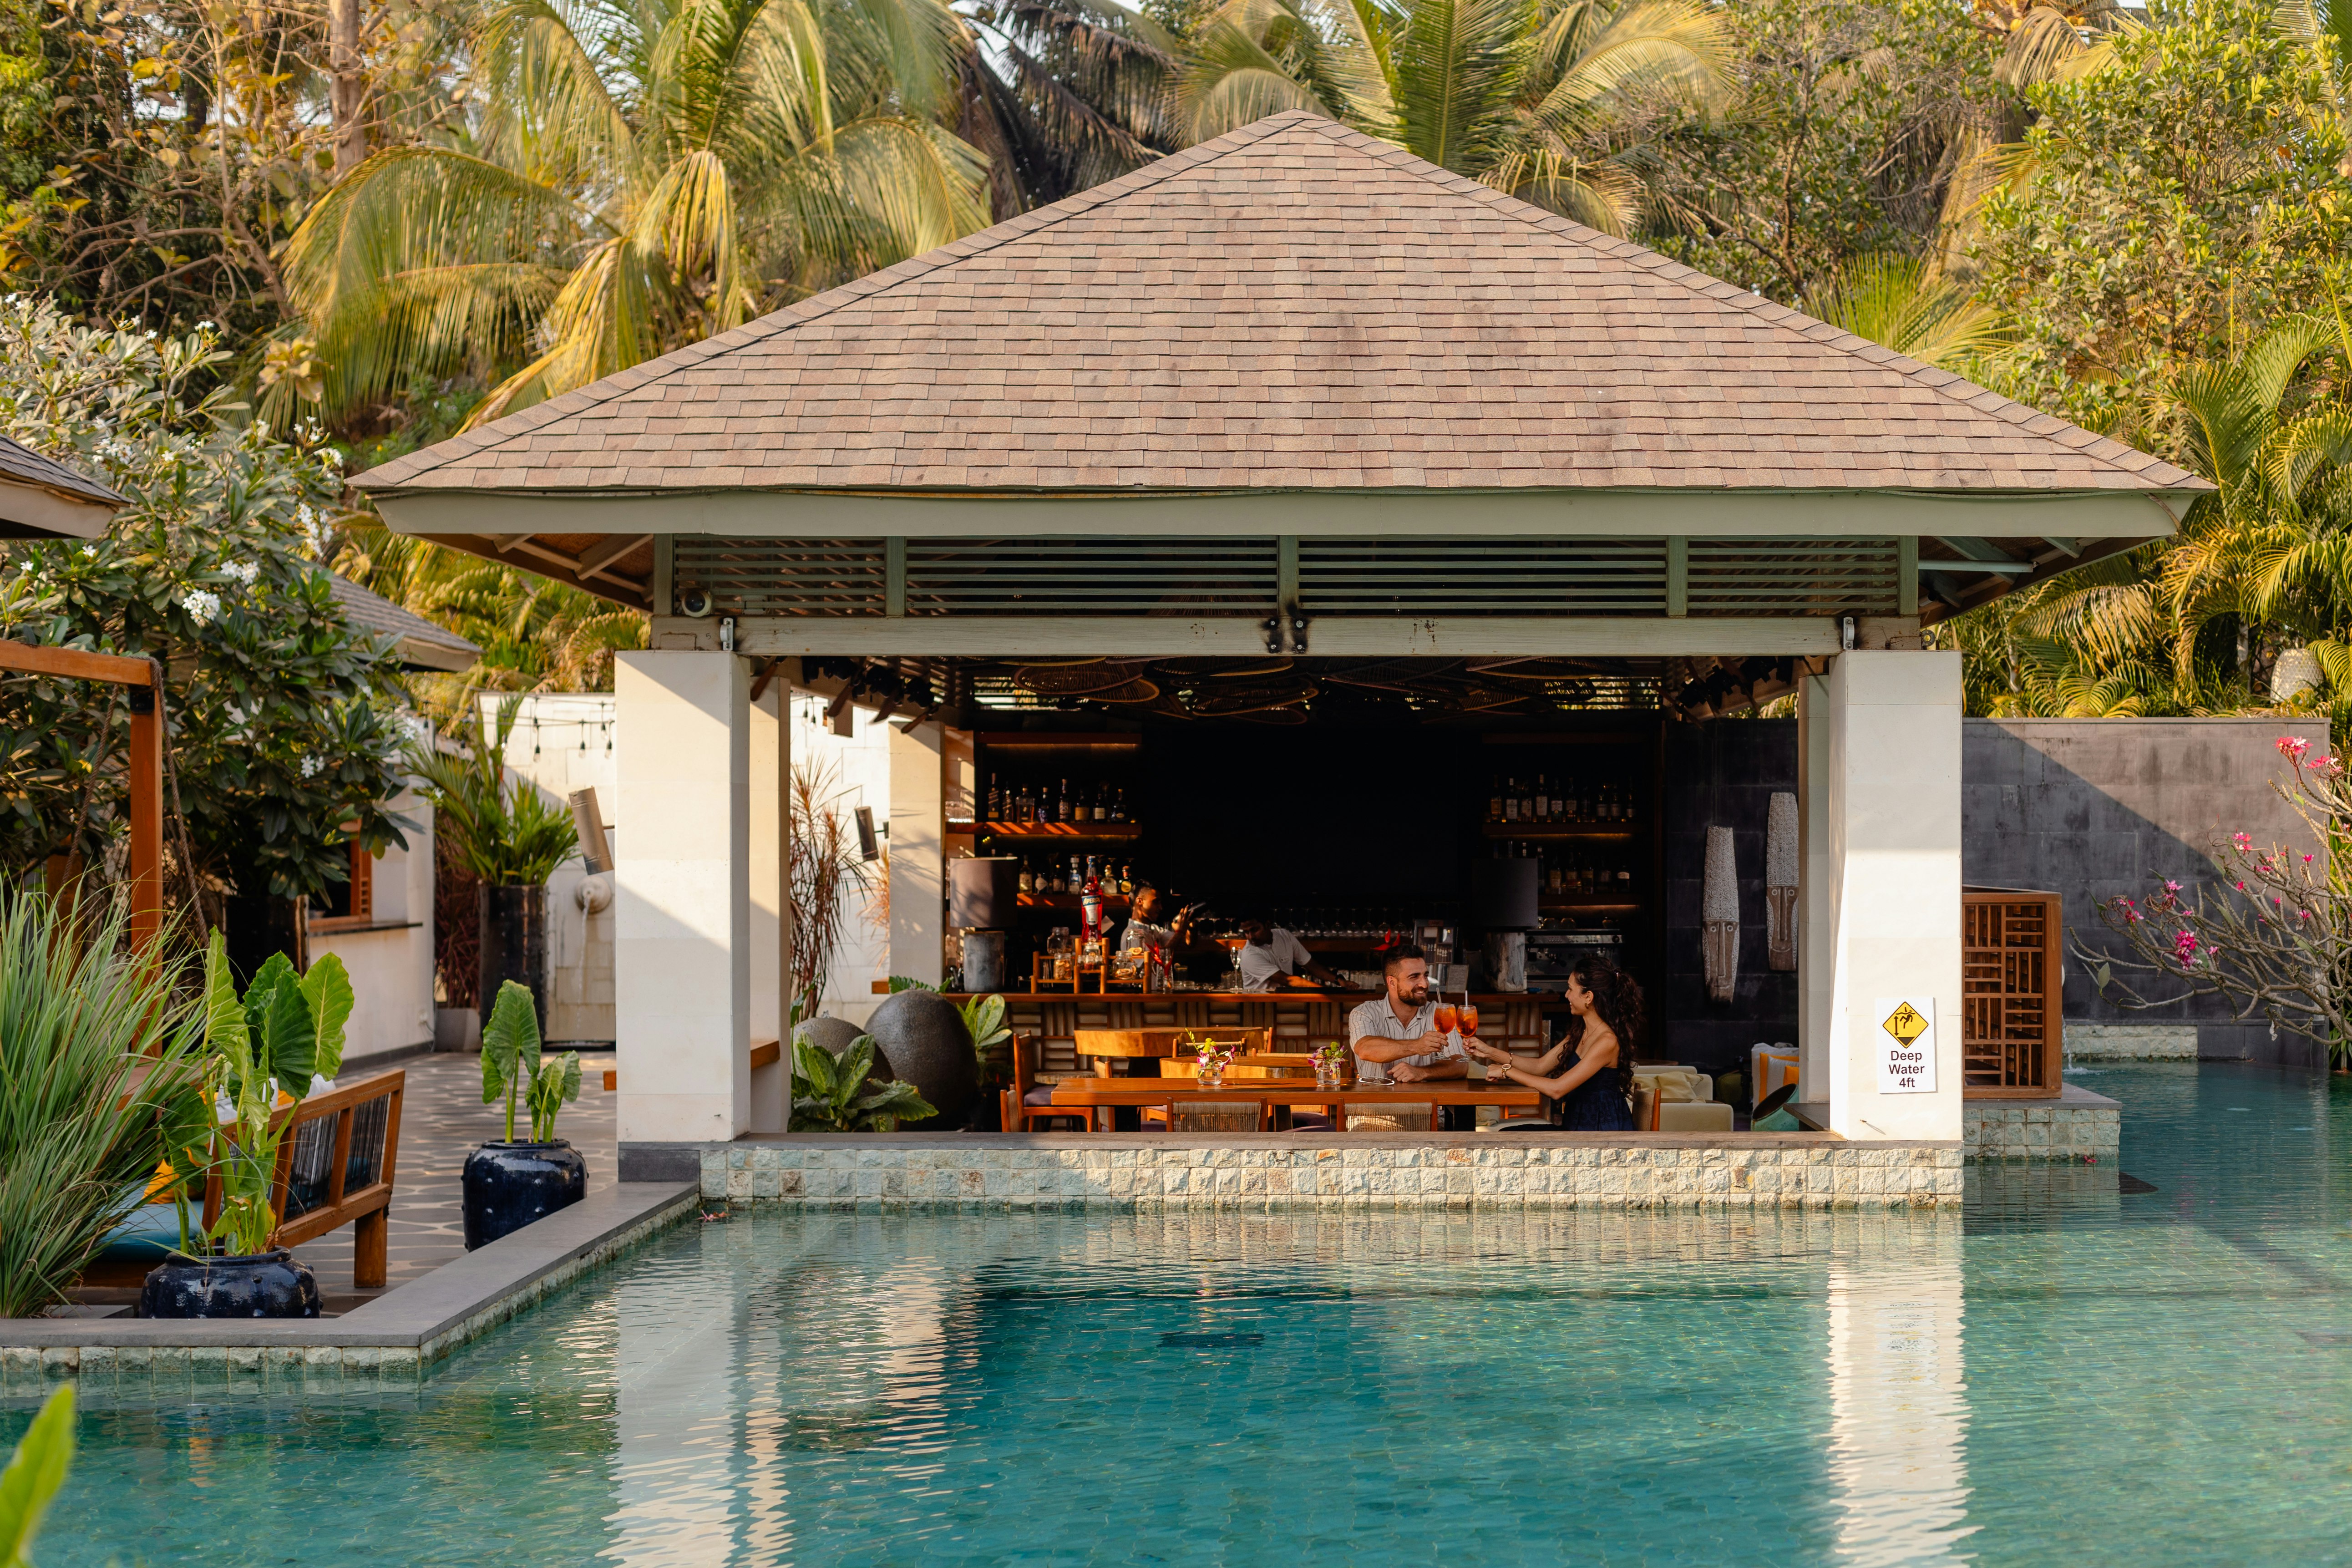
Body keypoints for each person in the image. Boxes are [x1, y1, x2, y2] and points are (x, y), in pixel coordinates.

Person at [1463, 953, 1640, 1131]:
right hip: (1577, 1128)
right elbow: (1540, 1067)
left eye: (1571, 989)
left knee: (1506, 1136)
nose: (1566, 995)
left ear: (1588, 997)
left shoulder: (1606, 1041)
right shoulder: (1581, 1032)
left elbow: (1557, 1089)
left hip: (1601, 1133)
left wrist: (1506, 1071)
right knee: (1506, 1134)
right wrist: (1489, 1052)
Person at [1348, 945, 1467, 1086]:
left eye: (1426, 976)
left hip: (1427, 1105)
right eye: (1414, 977)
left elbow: (1461, 1065)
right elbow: (1365, 1049)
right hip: (1374, 1105)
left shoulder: (1441, 1013)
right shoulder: (1365, 1012)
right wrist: (1417, 1046)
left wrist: (1422, 1072)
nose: (1424, 984)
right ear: (1392, 982)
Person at [1234, 918, 1344, 992]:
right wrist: (1328, 992)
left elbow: (1311, 965)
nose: (1251, 936)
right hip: (1259, 1007)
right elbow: (1288, 980)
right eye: (1246, 932)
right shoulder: (1249, 955)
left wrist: (1339, 980)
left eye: (1255, 930)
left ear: (1267, 925)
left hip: (1286, 1002)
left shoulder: (1284, 936)